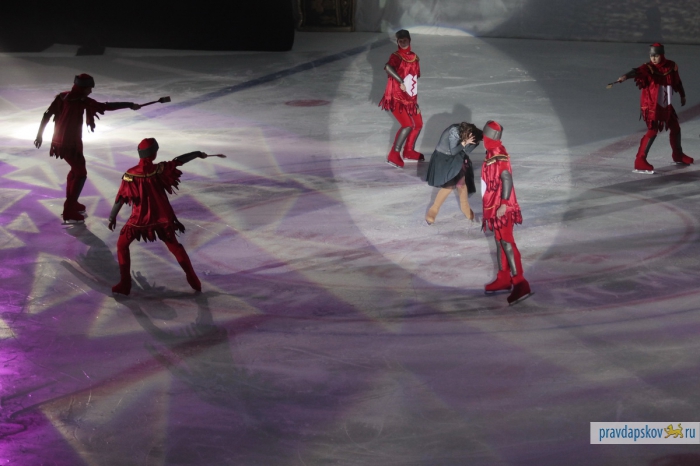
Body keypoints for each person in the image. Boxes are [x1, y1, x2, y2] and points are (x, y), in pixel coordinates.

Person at [108, 138, 226, 295]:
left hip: (139, 220)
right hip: (162, 218)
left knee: (122, 246)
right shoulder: (160, 169)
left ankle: (125, 283)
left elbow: (121, 197)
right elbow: (178, 161)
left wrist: (112, 217)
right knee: (175, 247)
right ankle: (193, 279)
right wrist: (197, 153)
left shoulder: (130, 174)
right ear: (154, 154)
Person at [34, 73, 142, 223]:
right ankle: (69, 210)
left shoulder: (63, 97)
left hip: (61, 141)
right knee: (80, 174)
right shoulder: (81, 101)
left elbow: (47, 114)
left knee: (75, 171)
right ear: (82, 88)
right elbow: (106, 106)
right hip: (69, 144)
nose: (91, 91)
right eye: (89, 88)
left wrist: (39, 135)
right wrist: (129, 104)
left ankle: (72, 202)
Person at [616, 43, 692, 174]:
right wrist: (625, 76)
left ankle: (678, 154)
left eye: (656, 56)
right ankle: (640, 160)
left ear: (662, 55)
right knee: (653, 130)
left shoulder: (671, 66)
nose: (653, 58)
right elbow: (637, 71)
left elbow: (677, 81)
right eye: (651, 56)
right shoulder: (648, 67)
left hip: (665, 103)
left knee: (675, 127)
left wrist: (682, 94)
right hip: (651, 104)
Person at [481, 121, 531, 305]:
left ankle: (520, 282)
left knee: (507, 241)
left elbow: (506, 178)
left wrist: (503, 204)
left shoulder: (498, 154)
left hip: (502, 206)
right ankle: (503, 278)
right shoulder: (492, 152)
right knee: (499, 240)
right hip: (494, 205)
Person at [379, 29, 423, 168]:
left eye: (405, 40)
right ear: (397, 42)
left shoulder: (414, 57)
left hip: (409, 98)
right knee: (407, 125)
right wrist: (400, 81)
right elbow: (388, 67)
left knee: (418, 123)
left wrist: (414, 102)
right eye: (400, 40)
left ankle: (408, 151)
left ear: (410, 40)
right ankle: (394, 154)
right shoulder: (396, 56)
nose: (403, 42)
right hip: (396, 97)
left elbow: (413, 81)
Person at [424, 122, 482, 225]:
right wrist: (464, 143)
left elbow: (465, 151)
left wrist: (474, 142)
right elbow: (453, 151)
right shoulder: (454, 131)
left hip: (456, 157)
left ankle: (465, 207)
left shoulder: (470, 135)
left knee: (461, 184)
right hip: (444, 158)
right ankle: (433, 210)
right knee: (449, 185)